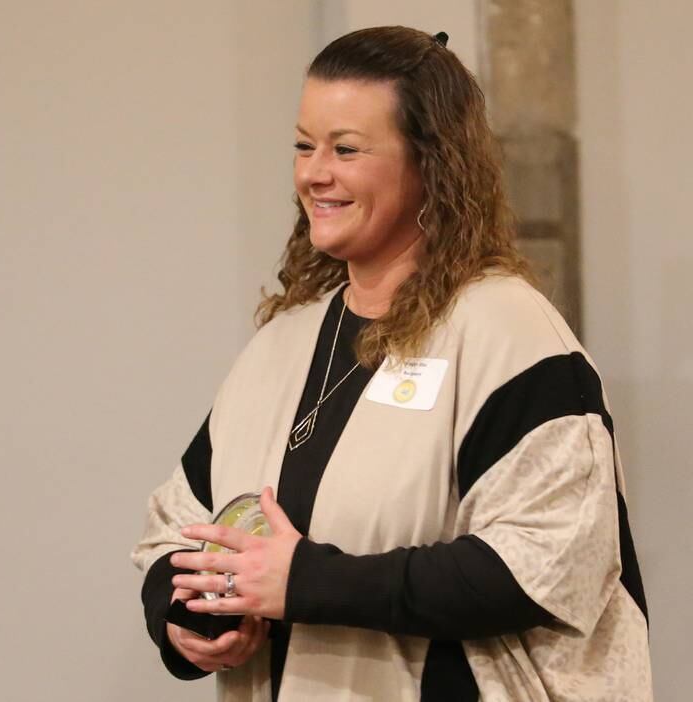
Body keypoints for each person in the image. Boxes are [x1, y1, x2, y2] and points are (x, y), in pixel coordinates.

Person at [131, 26, 652, 702]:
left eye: (346, 149)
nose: (315, 172)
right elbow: (178, 526)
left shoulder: (512, 336)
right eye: (303, 145)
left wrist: (308, 583)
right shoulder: (281, 346)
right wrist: (188, 618)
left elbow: (542, 564)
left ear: (432, 164)